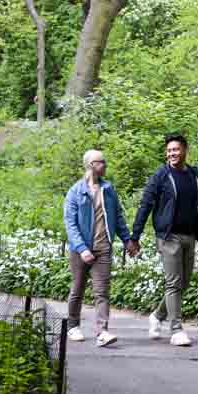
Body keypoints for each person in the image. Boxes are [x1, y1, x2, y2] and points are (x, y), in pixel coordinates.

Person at [130, 131, 198, 347]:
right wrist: (134, 237)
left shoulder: (194, 176)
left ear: (185, 150)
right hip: (168, 236)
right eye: (169, 151)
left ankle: (157, 316)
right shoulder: (161, 176)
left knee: (184, 283)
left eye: (176, 149)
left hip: (189, 235)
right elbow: (145, 205)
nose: (172, 153)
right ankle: (176, 329)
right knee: (173, 282)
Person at [63, 148, 137, 347]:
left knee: (102, 292)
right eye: (101, 162)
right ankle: (73, 326)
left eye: (104, 161)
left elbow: (118, 217)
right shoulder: (75, 192)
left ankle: (102, 331)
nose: (105, 165)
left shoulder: (108, 189)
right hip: (81, 250)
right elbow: (70, 224)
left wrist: (127, 239)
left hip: (103, 247)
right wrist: (81, 248)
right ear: (90, 165)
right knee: (77, 289)